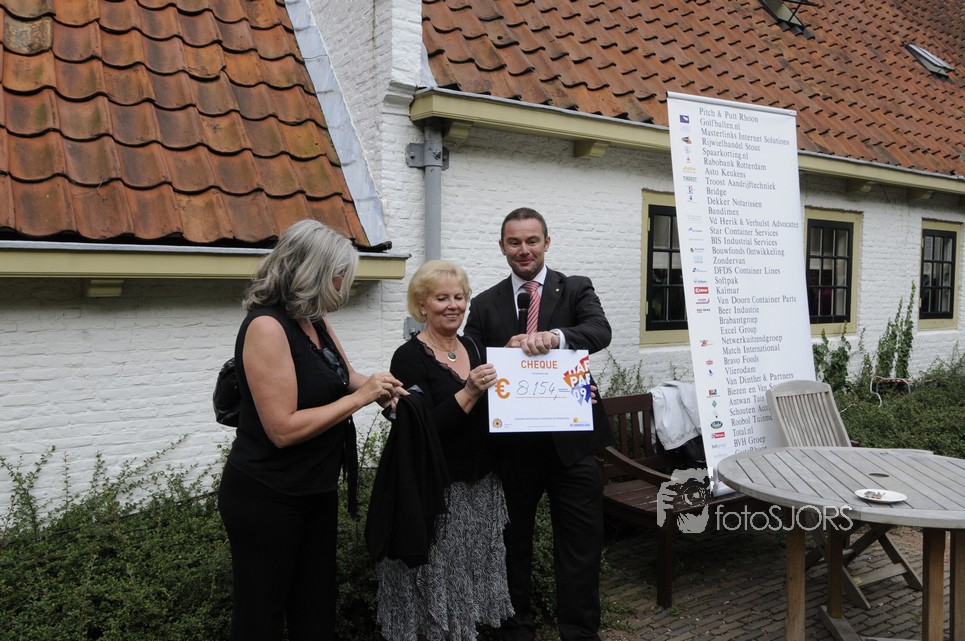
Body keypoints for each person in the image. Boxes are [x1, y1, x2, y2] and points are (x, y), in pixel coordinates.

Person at [217, 219, 405, 641]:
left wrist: (387, 391)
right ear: (313, 272)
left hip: (315, 488)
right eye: (340, 275)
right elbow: (282, 429)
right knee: (261, 617)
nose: (344, 285)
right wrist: (361, 398)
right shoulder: (267, 327)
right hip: (267, 495)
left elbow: (345, 376)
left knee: (316, 608)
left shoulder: (312, 319)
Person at [463, 208, 613, 641]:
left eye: (532, 240)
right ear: (502, 247)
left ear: (547, 242)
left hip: (572, 447)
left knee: (581, 547)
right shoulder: (485, 303)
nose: (524, 250)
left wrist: (557, 338)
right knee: (512, 548)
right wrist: (500, 353)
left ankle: (580, 633)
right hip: (512, 450)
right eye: (514, 242)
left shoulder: (575, 288)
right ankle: (517, 630)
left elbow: (599, 331)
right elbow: (469, 356)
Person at [374, 259, 514, 641]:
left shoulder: (474, 346)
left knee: (468, 583)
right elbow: (423, 432)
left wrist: (565, 394)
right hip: (437, 496)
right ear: (422, 305)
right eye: (441, 298)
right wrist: (468, 392)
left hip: (481, 491)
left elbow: (500, 411)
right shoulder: (408, 357)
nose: (453, 305)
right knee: (436, 585)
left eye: (459, 297)